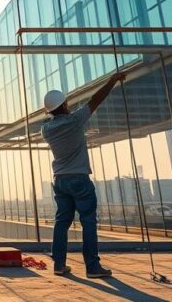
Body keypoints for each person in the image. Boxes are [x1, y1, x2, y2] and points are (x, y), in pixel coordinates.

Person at [42, 72, 126, 279]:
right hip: (79, 178)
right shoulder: (75, 120)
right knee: (88, 222)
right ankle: (92, 267)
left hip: (60, 180)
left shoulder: (46, 129)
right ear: (64, 105)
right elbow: (95, 100)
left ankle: (59, 265)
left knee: (62, 222)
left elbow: (90, 102)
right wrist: (112, 81)